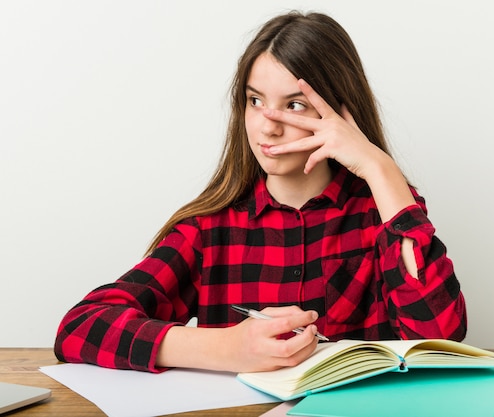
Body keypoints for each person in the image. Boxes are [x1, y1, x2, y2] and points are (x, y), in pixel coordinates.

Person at [54, 10, 466, 374]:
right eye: (256, 101)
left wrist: (380, 167)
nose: (268, 126)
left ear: (340, 113)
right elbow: (80, 327)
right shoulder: (209, 229)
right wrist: (227, 348)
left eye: (294, 105)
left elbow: (440, 335)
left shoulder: (385, 210)